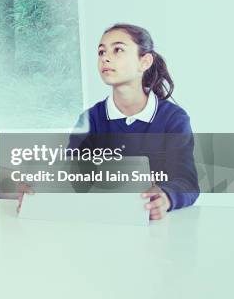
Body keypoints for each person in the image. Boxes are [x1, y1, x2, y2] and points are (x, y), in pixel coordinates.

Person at [18, 24, 199, 220]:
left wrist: (166, 198)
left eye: (118, 49)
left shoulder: (173, 119)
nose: (105, 57)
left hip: (154, 230)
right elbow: (71, 178)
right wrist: (40, 190)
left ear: (145, 62)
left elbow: (186, 181)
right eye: (101, 51)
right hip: (100, 223)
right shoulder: (90, 119)